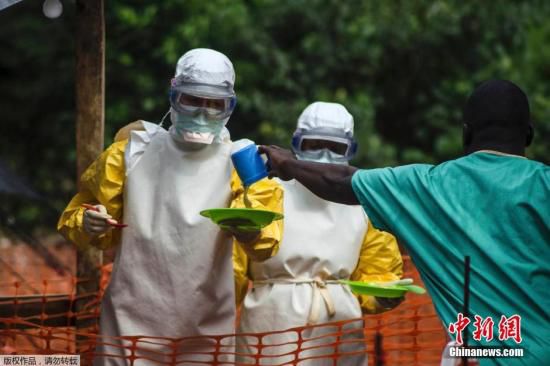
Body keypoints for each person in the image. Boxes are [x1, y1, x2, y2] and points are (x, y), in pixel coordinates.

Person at [258, 80, 549, 365]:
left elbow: (340, 181)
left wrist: (286, 163)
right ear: (528, 135)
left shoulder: (426, 187)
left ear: (466, 134)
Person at [57, 48, 283, 365]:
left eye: (214, 104)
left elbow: (267, 244)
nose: (203, 112)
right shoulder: (131, 152)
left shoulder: (240, 164)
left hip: (206, 331)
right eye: (193, 99)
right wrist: (88, 220)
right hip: (128, 326)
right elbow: (77, 217)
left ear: (229, 105)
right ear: (174, 95)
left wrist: (249, 230)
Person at [233, 102, 404, 365]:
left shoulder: (362, 204)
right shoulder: (269, 190)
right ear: (296, 145)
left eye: (336, 148)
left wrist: (383, 293)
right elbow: (234, 267)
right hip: (272, 324)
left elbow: (378, 270)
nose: (324, 155)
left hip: (338, 328)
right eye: (314, 145)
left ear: (351, 150)